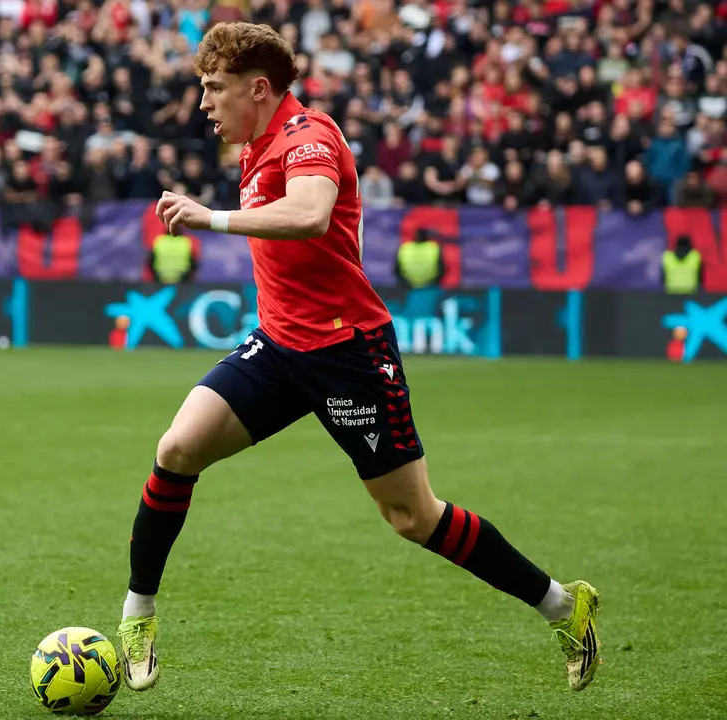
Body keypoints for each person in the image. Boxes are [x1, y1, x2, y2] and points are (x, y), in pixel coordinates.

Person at [121, 22, 601, 695]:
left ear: (259, 89)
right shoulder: (255, 141)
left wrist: (212, 219)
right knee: (177, 448)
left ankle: (561, 603)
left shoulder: (308, 135)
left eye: (214, 88)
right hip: (280, 344)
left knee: (412, 517)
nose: (203, 103)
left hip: (348, 352)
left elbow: (312, 214)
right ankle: (137, 614)